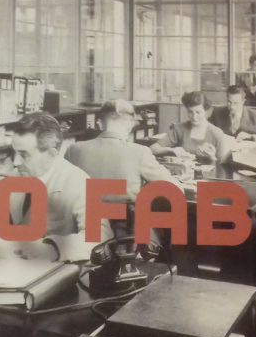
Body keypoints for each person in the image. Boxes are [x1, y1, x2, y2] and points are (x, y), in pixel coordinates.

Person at [66, 99, 178, 245]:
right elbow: (173, 188)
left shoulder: (74, 150)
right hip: (125, 239)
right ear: (130, 125)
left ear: (100, 123)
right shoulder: (140, 152)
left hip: (85, 235)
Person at [150, 91, 232, 165]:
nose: (194, 117)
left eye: (198, 112)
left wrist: (212, 157)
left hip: (209, 176)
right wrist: (172, 150)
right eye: (190, 112)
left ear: (206, 111)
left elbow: (224, 166)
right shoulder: (179, 129)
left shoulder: (216, 133)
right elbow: (153, 149)